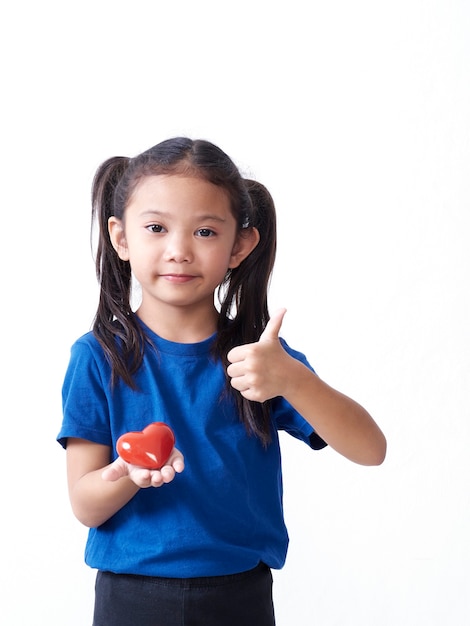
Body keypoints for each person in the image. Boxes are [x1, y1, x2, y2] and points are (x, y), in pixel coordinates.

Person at [57, 137, 386, 626]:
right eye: (155, 228)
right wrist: (128, 473)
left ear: (240, 246)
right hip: (131, 598)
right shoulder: (97, 358)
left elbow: (370, 448)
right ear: (121, 238)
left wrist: (294, 380)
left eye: (206, 232)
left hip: (241, 595)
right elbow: (85, 506)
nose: (179, 251)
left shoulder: (262, 361)